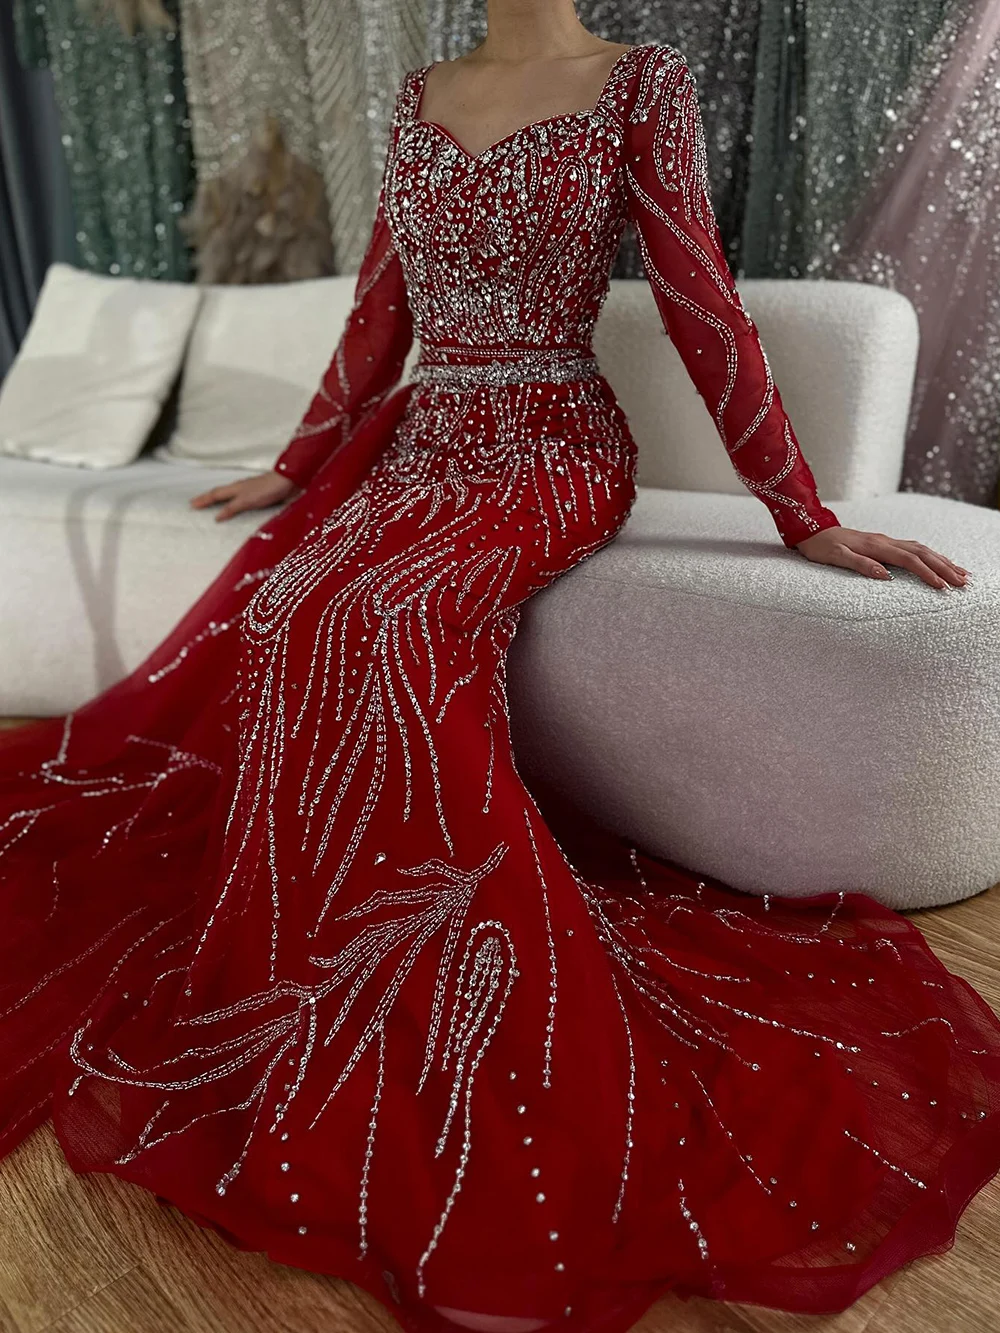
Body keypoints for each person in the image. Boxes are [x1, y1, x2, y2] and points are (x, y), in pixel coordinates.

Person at [0, 5, 996, 1333]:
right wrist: (296, 465)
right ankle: (311, 948)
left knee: (395, 624)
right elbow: (382, 309)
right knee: (291, 608)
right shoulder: (421, 95)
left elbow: (700, 301)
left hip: (550, 445)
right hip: (424, 444)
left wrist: (800, 512)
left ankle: (424, 964)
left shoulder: (639, 85)